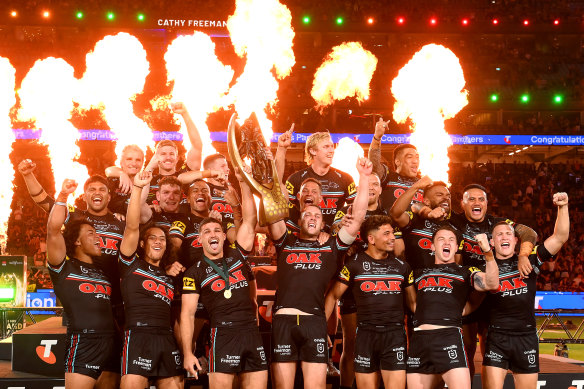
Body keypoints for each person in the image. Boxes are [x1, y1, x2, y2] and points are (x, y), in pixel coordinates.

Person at [267, 157, 372, 389]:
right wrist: (272, 172)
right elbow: (272, 208)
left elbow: (359, 216)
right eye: (307, 215)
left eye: (317, 216)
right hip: (283, 320)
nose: (312, 217)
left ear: (323, 222)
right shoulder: (285, 242)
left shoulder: (332, 246)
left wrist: (363, 178)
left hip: (314, 322)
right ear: (299, 219)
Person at [180, 166, 268, 389]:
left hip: (250, 332)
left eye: (217, 231)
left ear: (223, 236)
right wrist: (188, 353)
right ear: (200, 240)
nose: (213, 234)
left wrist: (243, 183)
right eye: (207, 231)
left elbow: (249, 220)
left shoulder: (237, 255)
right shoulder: (195, 272)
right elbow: (188, 315)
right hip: (223, 334)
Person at [18, 162, 126, 326]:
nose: (97, 193)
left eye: (102, 190)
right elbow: (43, 200)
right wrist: (27, 175)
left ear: (109, 197)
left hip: (115, 302)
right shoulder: (74, 216)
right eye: (92, 189)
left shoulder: (121, 223)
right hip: (80, 302)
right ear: (84, 195)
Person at [482, 193, 570, 389]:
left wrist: (563, 207)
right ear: (492, 242)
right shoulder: (485, 266)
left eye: (508, 234)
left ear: (515, 241)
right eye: (499, 234)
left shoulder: (531, 259)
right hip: (497, 338)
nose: (504, 236)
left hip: (526, 338)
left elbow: (560, 237)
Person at [450, 184, 538, 379]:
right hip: (470, 290)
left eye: (481, 199)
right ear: (462, 203)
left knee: (488, 342)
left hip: (495, 290)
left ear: (487, 204)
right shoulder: (453, 220)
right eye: (471, 199)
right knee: (467, 347)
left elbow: (529, 232)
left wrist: (523, 255)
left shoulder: (497, 223)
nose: (476, 203)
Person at [324, 215, 416, 389]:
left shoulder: (402, 266)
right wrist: (320, 328)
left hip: (394, 336)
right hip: (366, 336)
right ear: (371, 239)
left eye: (393, 233)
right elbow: (332, 296)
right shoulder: (354, 264)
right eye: (387, 233)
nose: (392, 238)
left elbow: (414, 305)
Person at [46, 179, 118, 389]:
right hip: (83, 343)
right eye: (91, 234)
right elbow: (53, 230)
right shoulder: (63, 267)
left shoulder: (102, 270)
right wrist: (62, 196)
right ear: (76, 241)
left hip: (111, 344)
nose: (98, 238)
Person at [406, 226, 499, 389]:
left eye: (451, 240)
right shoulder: (418, 272)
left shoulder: (465, 272)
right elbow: (411, 302)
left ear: (456, 248)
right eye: (441, 239)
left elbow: (492, 283)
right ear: (432, 246)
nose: (446, 242)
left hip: (448, 336)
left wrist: (488, 252)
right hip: (419, 339)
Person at [118, 170, 184, 389]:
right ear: (143, 244)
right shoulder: (130, 263)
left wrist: (187, 351)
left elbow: (176, 320)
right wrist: (137, 188)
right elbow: (132, 226)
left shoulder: (169, 275)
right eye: (152, 238)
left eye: (163, 239)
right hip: (139, 337)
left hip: (167, 340)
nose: (158, 241)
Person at [330, 172, 396, 389]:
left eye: (376, 184)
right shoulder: (347, 211)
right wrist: (340, 226)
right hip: (351, 285)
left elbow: (397, 249)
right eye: (368, 184)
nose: (372, 188)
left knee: (378, 347)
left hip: (381, 286)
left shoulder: (387, 215)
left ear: (380, 189)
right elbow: (333, 237)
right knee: (351, 345)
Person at [283, 131, 356, 231]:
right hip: (302, 236)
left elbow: (355, 208)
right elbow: (284, 210)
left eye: (332, 146)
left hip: (333, 238)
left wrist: (339, 225)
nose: (331, 150)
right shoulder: (295, 179)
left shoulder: (346, 179)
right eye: (326, 147)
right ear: (313, 151)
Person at [391, 176, 461, 270]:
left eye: (448, 196)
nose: (446, 198)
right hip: (415, 281)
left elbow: (457, 266)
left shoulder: (455, 226)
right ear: (426, 201)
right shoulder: (415, 220)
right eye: (439, 195)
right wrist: (415, 187)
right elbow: (395, 215)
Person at [178, 153, 240, 244]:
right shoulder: (204, 189)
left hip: (232, 236)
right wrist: (211, 174)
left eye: (227, 166)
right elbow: (181, 178)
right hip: (209, 237)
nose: (227, 169)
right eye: (222, 166)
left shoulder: (232, 191)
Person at [368, 119, 422, 211]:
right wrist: (377, 137)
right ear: (397, 162)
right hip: (388, 224)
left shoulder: (422, 183)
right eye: (410, 157)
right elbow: (374, 163)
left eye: (417, 157)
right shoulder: (387, 176)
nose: (415, 161)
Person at [105, 144, 145, 217]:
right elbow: (99, 205)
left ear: (142, 163)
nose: (134, 163)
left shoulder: (146, 183)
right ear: (121, 162)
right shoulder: (112, 181)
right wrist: (112, 215)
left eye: (138, 160)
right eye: (129, 159)